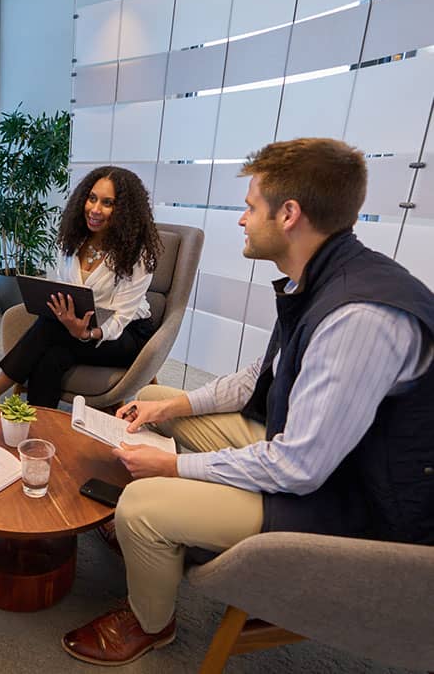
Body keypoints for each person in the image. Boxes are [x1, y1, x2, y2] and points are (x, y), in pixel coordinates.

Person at [61, 137, 434, 666]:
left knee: (140, 506)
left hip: (347, 497)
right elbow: (260, 379)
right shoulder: (324, 277)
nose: (241, 220)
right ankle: (181, 527)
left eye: (250, 206)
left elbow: (299, 468)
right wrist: (172, 407)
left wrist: (173, 466)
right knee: (157, 396)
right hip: (317, 455)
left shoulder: (358, 317)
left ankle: (151, 622)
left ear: (288, 214)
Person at [0, 166, 161, 410]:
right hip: (76, 326)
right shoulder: (71, 240)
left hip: (126, 335)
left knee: (49, 327)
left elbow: (121, 318)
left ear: (125, 211)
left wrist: (86, 334)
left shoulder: (137, 255)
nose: (95, 209)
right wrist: (66, 317)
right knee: (52, 357)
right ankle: (35, 427)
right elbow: (68, 291)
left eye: (108, 203)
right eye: (92, 198)